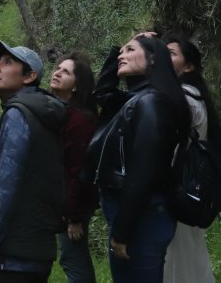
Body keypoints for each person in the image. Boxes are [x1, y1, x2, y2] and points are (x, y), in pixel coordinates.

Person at [84, 34, 191, 283]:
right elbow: (102, 93)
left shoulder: (151, 102)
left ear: (154, 58)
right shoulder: (137, 98)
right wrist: (119, 50)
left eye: (130, 49)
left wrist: (122, 231)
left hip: (141, 217)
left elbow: (143, 170)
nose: (122, 54)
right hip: (137, 214)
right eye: (121, 51)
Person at [0, 41, 66, 283]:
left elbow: (7, 186)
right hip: (37, 247)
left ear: (29, 77)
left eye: (8, 63)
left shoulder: (18, 115)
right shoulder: (42, 112)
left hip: (13, 252)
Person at [161, 35, 221, 283]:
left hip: (179, 186)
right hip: (192, 187)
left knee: (178, 257)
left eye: (172, 54)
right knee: (189, 254)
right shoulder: (194, 96)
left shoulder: (184, 99)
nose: (164, 57)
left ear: (188, 67)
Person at [48, 53, 99, 283]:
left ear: (77, 86)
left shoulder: (80, 120)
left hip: (72, 205)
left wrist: (74, 216)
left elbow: (79, 170)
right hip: (62, 201)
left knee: (73, 258)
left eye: (66, 72)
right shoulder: (60, 113)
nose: (57, 72)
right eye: (57, 68)